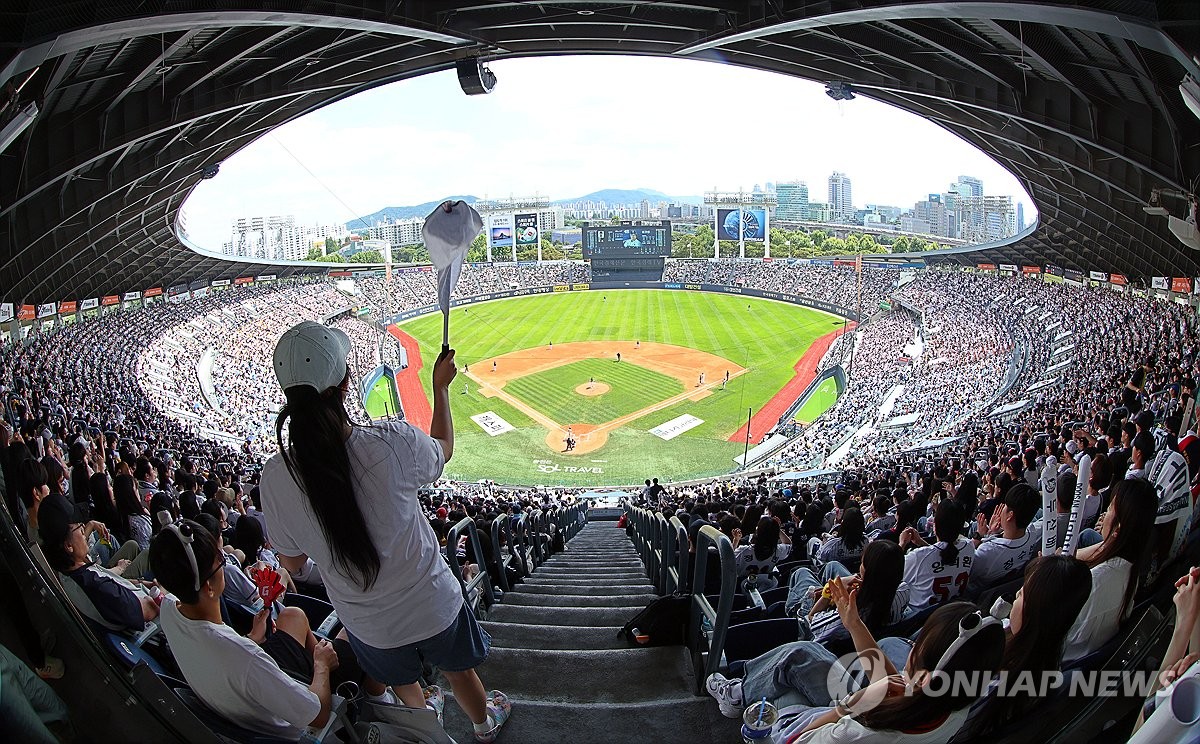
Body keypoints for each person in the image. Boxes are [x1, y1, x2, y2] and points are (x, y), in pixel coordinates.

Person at [259, 321, 510, 742]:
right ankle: (483, 727)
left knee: (402, 680)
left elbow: (293, 562)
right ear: (345, 383)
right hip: (433, 603)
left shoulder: (275, 478)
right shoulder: (391, 441)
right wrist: (441, 388)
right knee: (458, 671)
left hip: (368, 626)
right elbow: (442, 451)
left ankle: (427, 722)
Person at [706, 599, 1005, 742]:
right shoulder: (955, 697)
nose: (912, 647)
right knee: (804, 654)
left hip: (808, 729)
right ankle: (739, 691)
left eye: (919, 643)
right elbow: (896, 684)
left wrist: (849, 705)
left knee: (787, 680)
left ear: (926, 677)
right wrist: (853, 623)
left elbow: (793, 741)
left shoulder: (855, 735)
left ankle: (737, 694)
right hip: (862, 712)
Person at [148, 520, 341, 739]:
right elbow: (318, 716)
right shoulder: (247, 658)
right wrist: (321, 665)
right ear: (209, 587)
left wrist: (250, 638)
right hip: (292, 727)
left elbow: (224, 654)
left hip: (237, 693)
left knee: (292, 615)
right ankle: (339, 683)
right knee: (342, 639)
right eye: (220, 560)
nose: (224, 562)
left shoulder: (168, 610)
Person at [1062, 478, 1157, 663]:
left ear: (1119, 526)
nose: (1105, 514)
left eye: (1111, 507)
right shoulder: (1130, 567)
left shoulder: (1094, 581)